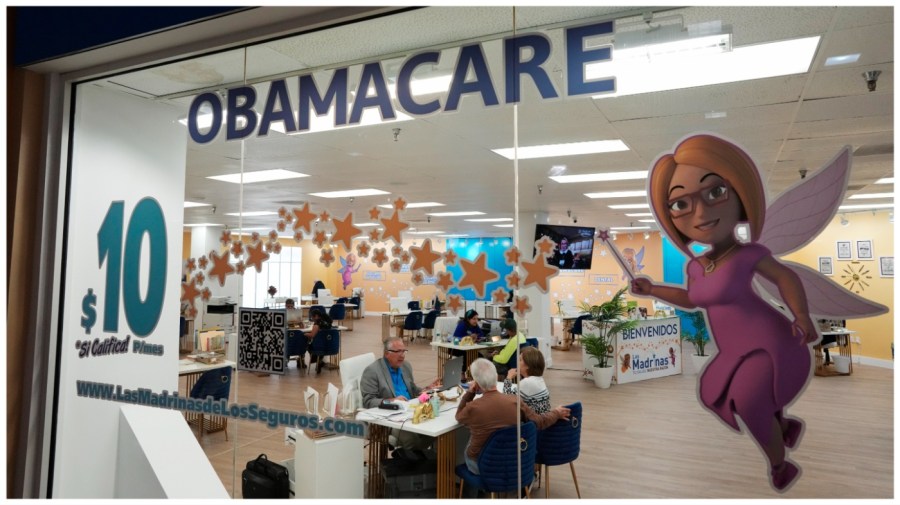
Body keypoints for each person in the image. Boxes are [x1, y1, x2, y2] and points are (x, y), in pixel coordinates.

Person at [630, 134, 816, 492]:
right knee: (716, 393)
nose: (700, 213)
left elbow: (785, 276)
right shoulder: (697, 266)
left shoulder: (748, 254)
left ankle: (780, 465)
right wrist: (652, 289)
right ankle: (781, 425)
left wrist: (801, 315)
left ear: (740, 192)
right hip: (734, 351)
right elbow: (692, 299)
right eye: (680, 204)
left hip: (771, 342)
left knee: (748, 400)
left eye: (715, 192)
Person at [456, 358, 570, 478]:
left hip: (483, 466)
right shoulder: (515, 401)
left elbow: (459, 416)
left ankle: (473, 492)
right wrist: (556, 413)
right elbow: (539, 422)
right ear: (495, 376)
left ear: (476, 383)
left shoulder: (474, 407)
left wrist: (469, 393)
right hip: (512, 462)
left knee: (473, 437)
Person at [360, 337, 434, 451]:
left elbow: (413, 389)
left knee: (434, 431)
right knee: (411, 438)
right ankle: (409, 463)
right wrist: (393, 401)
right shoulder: (372, 371)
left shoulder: (406, 366)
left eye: (404, 351)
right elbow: (368, 401)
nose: (402, 355)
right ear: (387, 353)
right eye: (398, 351)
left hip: (411, 412)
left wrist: (427, 390)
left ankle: (419, 461)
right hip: (389, 420)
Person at [502, 346, 551, 414]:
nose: (517, 362)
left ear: (528, 366)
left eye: (520, 360)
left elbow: (507, 400)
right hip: (542, 420)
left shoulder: (527, 383)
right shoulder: (539, 379)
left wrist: (509, 377)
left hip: (534, 423)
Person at [304, 308, 332, 374]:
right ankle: (319, 360)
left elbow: (312, 335)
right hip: (329, 345)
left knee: (307, 344)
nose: (312, 318)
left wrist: (304, 334)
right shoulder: (327, 323)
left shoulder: (317, 324)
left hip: (319, 346)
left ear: (316, 316)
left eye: (312, 316)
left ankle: (317, 360)